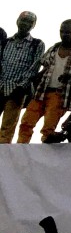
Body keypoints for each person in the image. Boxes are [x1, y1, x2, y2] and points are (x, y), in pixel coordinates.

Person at [17, 20, 71, 143]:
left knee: (48, 129)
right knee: (26, 123)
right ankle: (21, 149)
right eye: (62, 31)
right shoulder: (53, 49)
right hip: (41, 91)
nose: (64, 35)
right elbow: (46, 67)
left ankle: (46, 153)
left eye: (67, 32)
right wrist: (36, 77)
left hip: (60, 94)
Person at [0, 12, 45, 143]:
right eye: (23, 20)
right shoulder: (6, 42)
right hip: (0, 85)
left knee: (7, 127)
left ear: (34, 25)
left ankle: (2, 153)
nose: (25, 24)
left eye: (30, 22)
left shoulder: (36, 44)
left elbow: (34, 68)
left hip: (17, 90)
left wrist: (22, 86)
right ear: (17, 21)